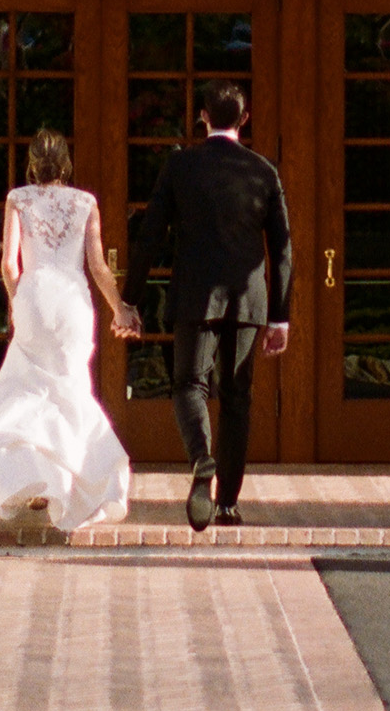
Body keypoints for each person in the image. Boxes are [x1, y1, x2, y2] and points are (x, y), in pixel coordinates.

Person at [116, 83, 291, 534]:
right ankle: (229, 503)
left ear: (202, 117)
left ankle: (201, 460)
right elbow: (283, 249)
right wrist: (280, 316)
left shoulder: (181, 166)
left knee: (188, 385)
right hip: (249, 301)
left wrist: (129, 298)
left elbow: (150, 235)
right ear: (244, 119)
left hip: (194, 296)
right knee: (237, 398)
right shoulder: (264, 171)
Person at [0, 127, 131, 533]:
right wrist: (119, 308)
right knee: (70, 390)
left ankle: (40, 479)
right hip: (72, 303)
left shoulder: (18, 199)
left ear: (31, 162)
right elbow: (98, 266)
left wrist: (14, 300)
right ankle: (74, 480)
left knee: (28, 391)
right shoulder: (85, 202)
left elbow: (9, 264)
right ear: (65, 163)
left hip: (34, 297)